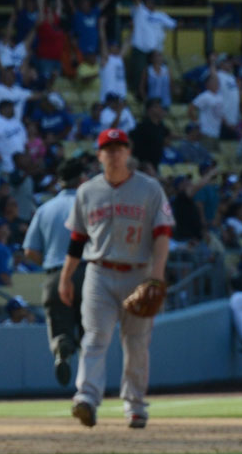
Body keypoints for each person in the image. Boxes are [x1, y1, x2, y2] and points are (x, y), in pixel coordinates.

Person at [61, 127, 172, 430]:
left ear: (128, 152)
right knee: (95, 337)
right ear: (99, 155)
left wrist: (157, 276)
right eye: (108, 148)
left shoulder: (150, 189)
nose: (114, 153)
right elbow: (76, 239)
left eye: (119, 147)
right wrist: (66, 277)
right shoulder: (87, 191)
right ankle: (86, 398)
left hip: (138, 273)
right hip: (98, 272)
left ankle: (135, 406)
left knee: (136, 343)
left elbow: (162, 234)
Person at [23, 158, 86, 385]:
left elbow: (30, 251)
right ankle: (88, 387)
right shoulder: (89, 205)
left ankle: (62, 344)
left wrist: (51, 262)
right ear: (82, 179)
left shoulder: (44, 209)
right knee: (91, 334)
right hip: (86, 272)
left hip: (54, 274)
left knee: (60, 328)